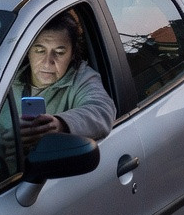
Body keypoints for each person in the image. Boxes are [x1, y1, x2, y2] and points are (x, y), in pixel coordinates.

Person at [7, 9, 116, 147]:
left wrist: (60, 124)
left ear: (72, 54)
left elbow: (102, 110)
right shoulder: (5, 80)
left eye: (59, 52)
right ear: (28, 51)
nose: (47, 62)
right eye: (40, 51)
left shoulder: (83, 79)